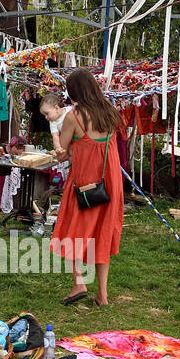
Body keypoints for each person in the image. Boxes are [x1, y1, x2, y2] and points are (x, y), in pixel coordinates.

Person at [49, 67, 125, 307]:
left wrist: (63, 151)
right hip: (110, 184)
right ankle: (102, 294)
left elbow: (62, 153)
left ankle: (79, 283)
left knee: (72, 230)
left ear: (74, 91)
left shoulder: (74, 116)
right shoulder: (111, 112)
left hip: (83, 184)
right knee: (103, 233)